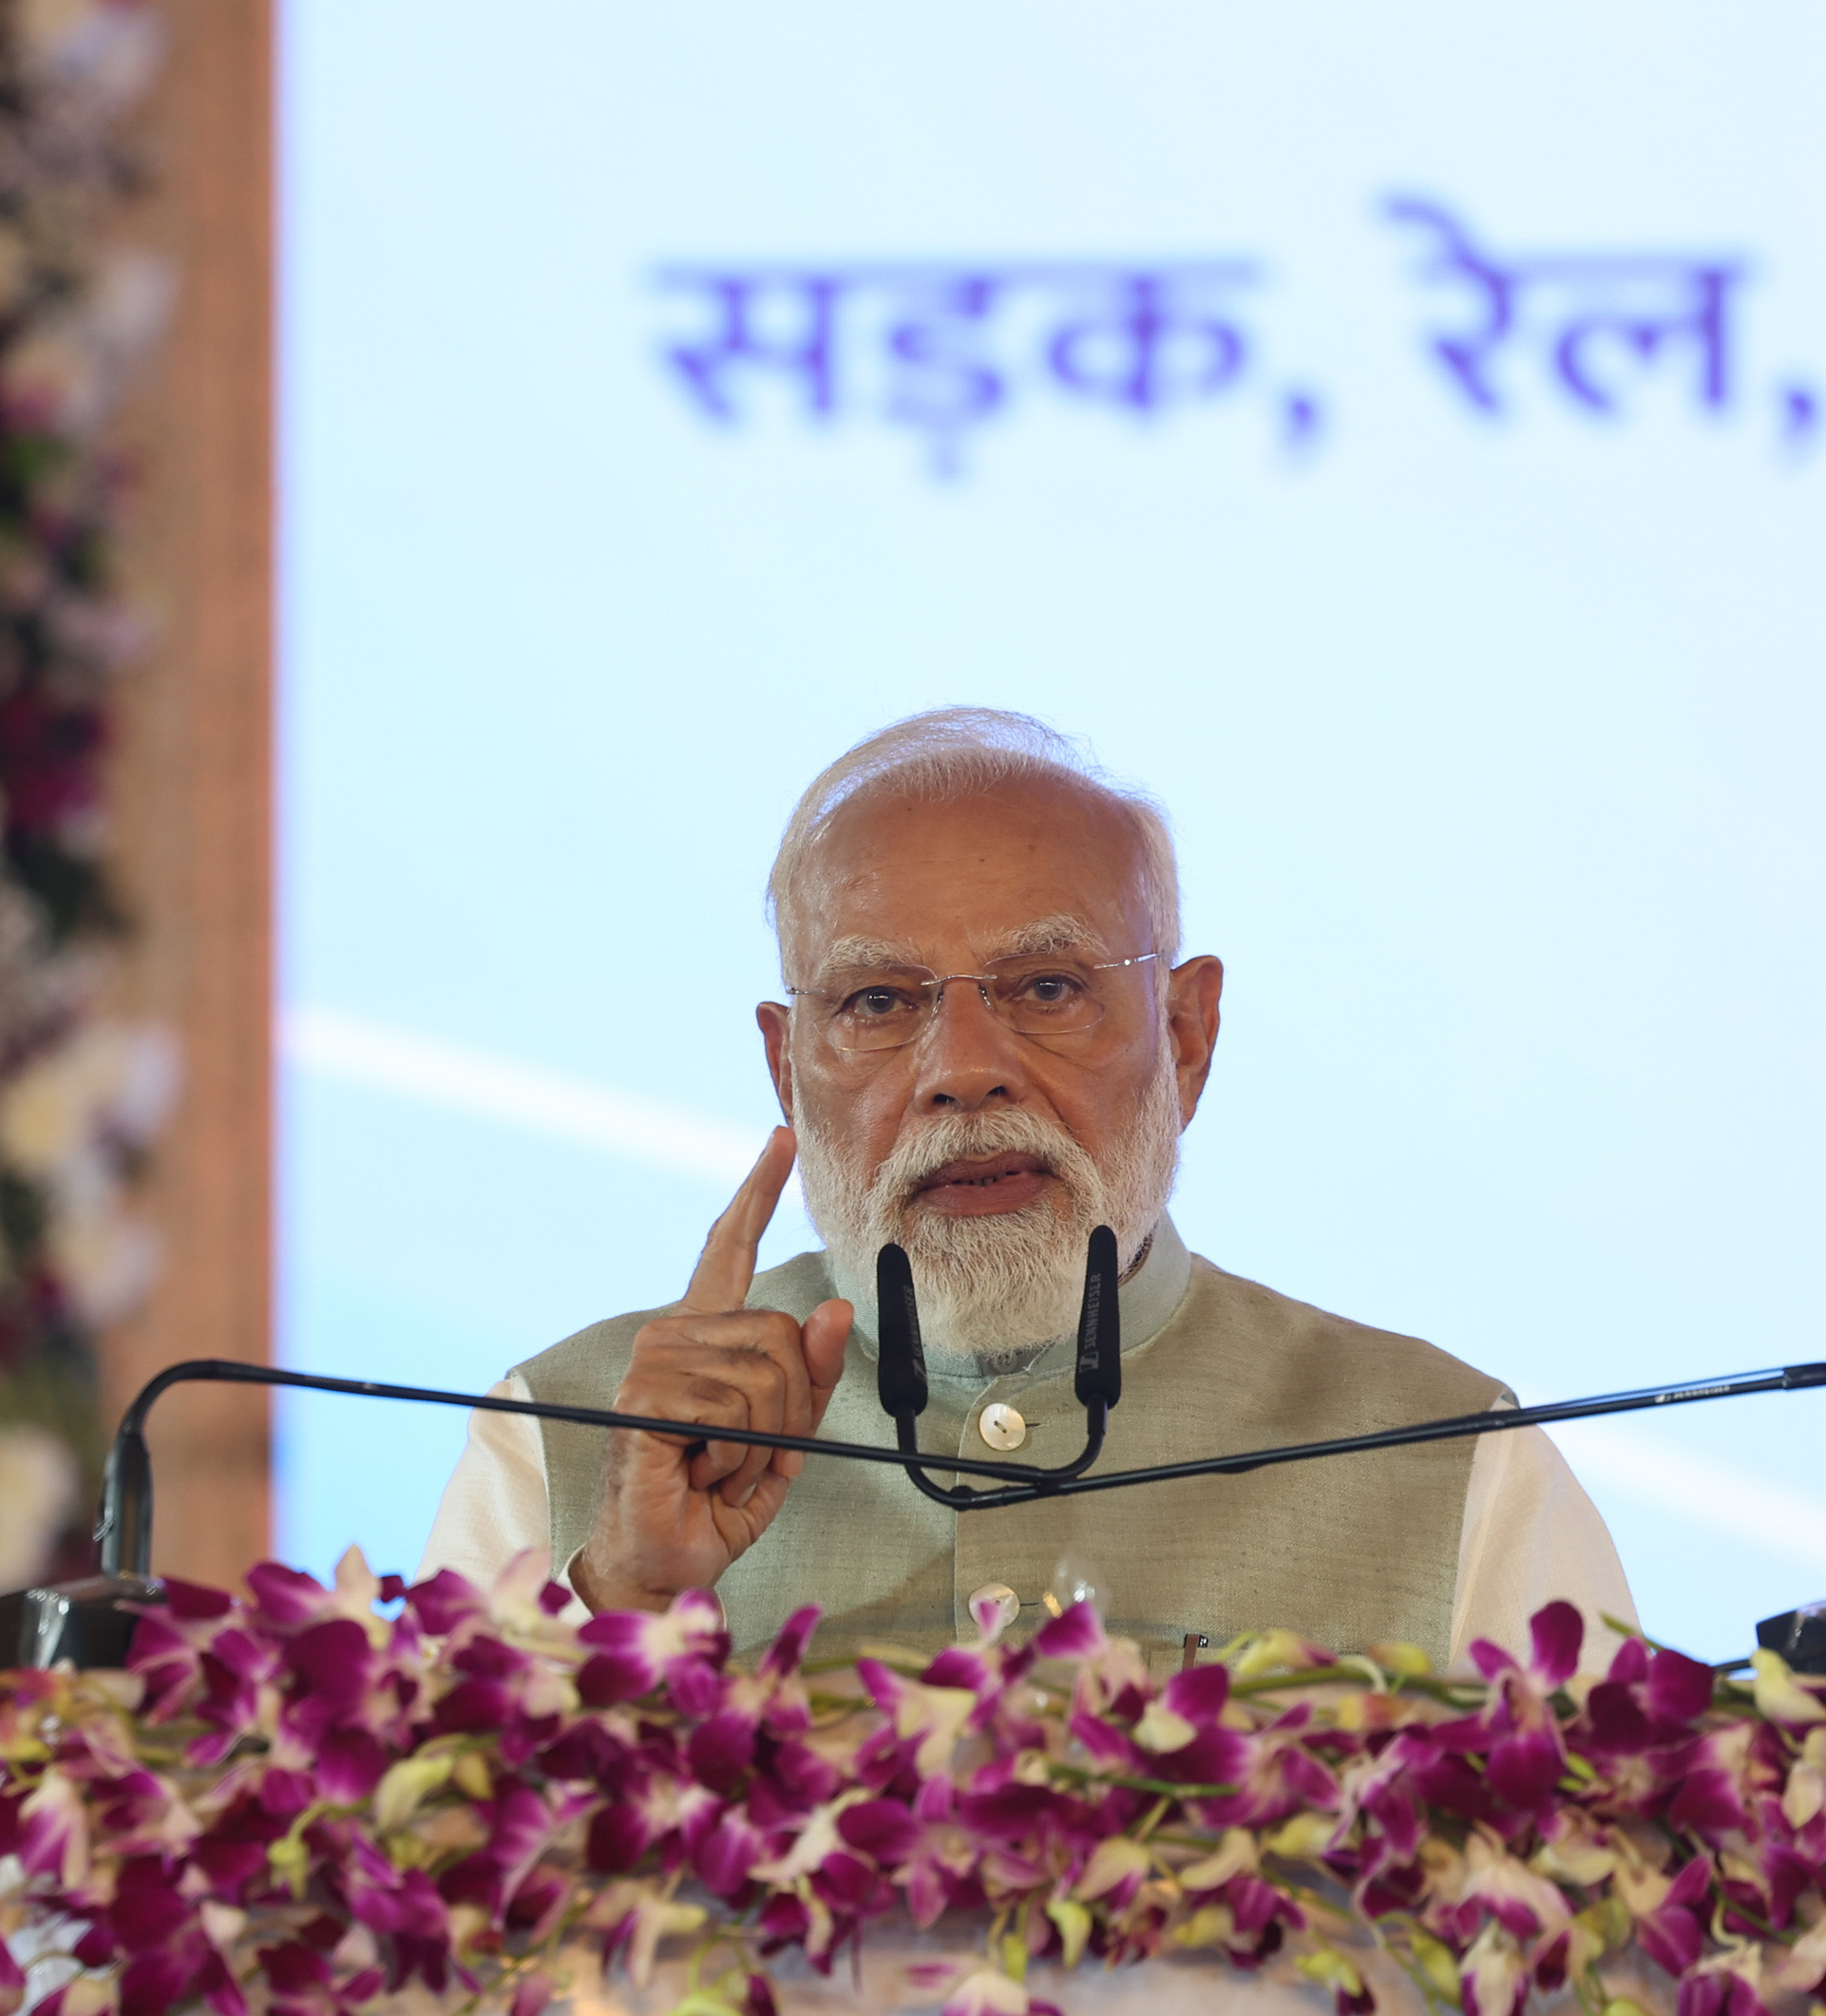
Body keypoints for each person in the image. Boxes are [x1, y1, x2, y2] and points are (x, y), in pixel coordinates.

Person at [422, 707, 1637, 1674]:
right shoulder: (567, 1437)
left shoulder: (1450, 1460)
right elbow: (397, 1921)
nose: (961, 1073)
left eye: (1047, 987)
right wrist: (622, 1600)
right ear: (785, 1069)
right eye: (878, 1002)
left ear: (1187, 1033)